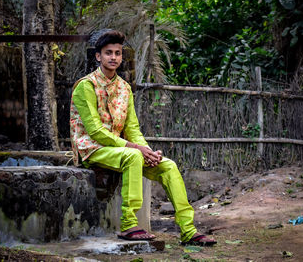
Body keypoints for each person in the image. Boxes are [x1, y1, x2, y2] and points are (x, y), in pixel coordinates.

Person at [70, 30, 216, 246]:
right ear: (98, 56)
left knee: (168, 166)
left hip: (121, 151)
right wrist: (135, 149)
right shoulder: (86, 86)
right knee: (133, 157)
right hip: (92, 149)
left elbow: (132, 128)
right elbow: (96, 131)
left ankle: (188, 230)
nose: (113, 57)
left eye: (118, 53)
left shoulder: (124, 88)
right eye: (108, 53)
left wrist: (147, 151)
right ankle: (129, 225)